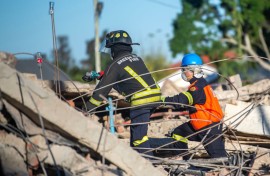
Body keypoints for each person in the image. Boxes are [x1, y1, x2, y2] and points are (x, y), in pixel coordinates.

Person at [82, 30, 161, 157]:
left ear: (115, 49)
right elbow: (128, 78)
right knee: (139, 136)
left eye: (110, 49)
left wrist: (86, 109)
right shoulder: (136, 58)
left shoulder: (115, 64)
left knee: (138, 140)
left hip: (141, 100)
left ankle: (150, 166)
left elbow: (101, 90)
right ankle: (165, 150)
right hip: (155, 96)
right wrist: (102, 75)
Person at [151, 53, 227, 160]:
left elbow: (183, 100)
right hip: (200, 125)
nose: (183, 73)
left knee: (220, 159)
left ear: (191, 70)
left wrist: (162, 100)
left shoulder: (197, 87)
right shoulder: (200, 83)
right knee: (178, 133)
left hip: (209, 128)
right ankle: (184, 158)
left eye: (184, 70)